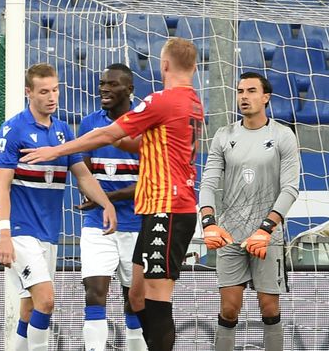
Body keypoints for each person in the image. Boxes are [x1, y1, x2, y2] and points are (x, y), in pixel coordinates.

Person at [20, 38, 204, 351]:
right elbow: (141, 144)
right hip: (161, 209)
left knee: (157, 296)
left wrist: (57, 150)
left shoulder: (162, 100)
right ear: (195, 67)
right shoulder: (193, 101)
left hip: (168, 208)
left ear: (164, 65)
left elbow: (108, 133)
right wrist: (118, 139)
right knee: (136, 295)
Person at [0, 63, 117, 351]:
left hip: (49, 234)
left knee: (29, 310)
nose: (52, 97)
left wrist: (106, 203)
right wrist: (4, 233)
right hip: (21, 231)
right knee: (47, 300)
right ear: (29, 93)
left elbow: (83, 176)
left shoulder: (63, 132)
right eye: (44, 92)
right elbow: (3, 186)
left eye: (55, 90)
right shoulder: (13, 130)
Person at [199, 72, 299, 351]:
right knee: (229, 308)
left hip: (267, 237)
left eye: (251, 91)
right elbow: (207, 183)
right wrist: (208, 223)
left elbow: (290, 188)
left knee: (269, 307)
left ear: (265, 97)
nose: (244, 96)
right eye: (240, 91)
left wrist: (266, 229)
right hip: (229, 236)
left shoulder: (282, 135)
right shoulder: (223, 135)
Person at [76, 64, 146, 351]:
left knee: (135, 301)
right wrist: (102, 203)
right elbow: (83, 172)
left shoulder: (146, 125)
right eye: (102, 82)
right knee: (94, 293)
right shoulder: (90, 124)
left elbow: (149, 184)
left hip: (137, 224)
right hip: (98, 224)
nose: (104, 88)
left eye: (112, 84)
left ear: (129, 89)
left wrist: (110, 200)